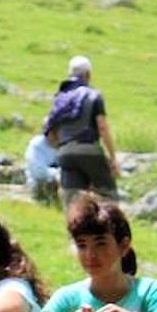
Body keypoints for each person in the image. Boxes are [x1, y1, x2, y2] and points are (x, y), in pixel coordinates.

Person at [43, 55, 119, 203]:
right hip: (88, 148)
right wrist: (113, 157)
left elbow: (50, 131)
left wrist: (61, 147)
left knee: (72, 199)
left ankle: (75, 223)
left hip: (65, 152)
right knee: (108, 194)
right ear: (88, 75)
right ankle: (110, 222)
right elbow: (102, 127)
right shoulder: (94, 95)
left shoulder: (60, 98)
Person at [24, 133, 61, 204]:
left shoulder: (64, 144)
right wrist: (57, 174)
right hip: (39, 183)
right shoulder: (37, 145)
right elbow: (39, 172)